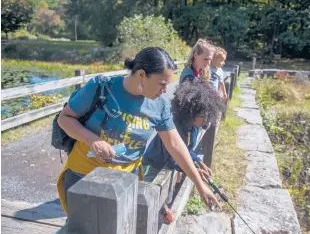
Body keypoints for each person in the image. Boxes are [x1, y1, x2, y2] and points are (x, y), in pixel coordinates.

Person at [56, 47, 220, 215]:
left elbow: (175, 145)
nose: (164, 91)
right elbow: (65, 119)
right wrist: (92, 139)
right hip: (85, 174)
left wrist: (200, 186)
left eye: (167, 85)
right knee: (86, 229)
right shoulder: (101, 88)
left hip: (127, 179)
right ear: (141, 74)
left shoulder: (159, 105)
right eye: (162, 84)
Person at [142, 79, 226, 222]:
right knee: (149, 199)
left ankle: (163, 210)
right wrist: (192, 170)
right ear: (191, 112)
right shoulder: (175, 127)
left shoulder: (193, 127)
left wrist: (198, 161)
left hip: (169, 169)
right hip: (155, 167)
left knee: (167, 194)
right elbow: (173, 157)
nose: (205, 121)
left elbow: (186, 150)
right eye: (203, 116)